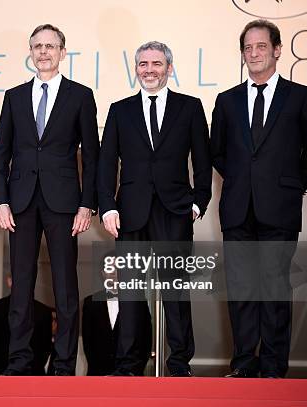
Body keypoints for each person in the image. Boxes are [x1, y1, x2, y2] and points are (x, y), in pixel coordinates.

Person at [210, 20, 307, 379]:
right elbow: (218, 153)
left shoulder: (301, 97)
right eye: (248, 48)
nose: (254, 53)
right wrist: (244, 183)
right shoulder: (227, 101)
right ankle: (244, 366)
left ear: (277, 50)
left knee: (275, 290)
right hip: (237, 210)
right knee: (242, 290)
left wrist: (291, 185)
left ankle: (274, 369)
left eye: (261, 46)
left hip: (279, 210)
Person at [0, 23, 99, 376]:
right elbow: (0, 153)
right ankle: (19, 362)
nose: (43, 52)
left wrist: (87, 204)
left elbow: (93, 156)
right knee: (20, 284)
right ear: (31, 52)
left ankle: (64, 365)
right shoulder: (14, 96)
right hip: (19, 203)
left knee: (66, 285)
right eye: (37, 46)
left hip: (65, 203)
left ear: (62, 52)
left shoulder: (80, 96)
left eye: (50, 46)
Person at [97, 41, 212, 376]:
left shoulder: (190, 107)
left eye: (156, 64)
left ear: (169, 68)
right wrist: (107, 207)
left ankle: (179, 364)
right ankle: (128, 365)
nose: (149, 69)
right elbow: (107, 165)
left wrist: (197, 202)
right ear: (136, 70)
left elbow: (202, 162)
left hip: (175, 211)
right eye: (143, 64)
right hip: (130, 212)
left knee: (175, 289)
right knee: (131, 291)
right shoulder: (119, 110)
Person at [0, 275, 52, 375]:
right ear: (9, 281)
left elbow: (45, 349)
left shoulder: (44, 312)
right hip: (1, 378)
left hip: (33, 379)